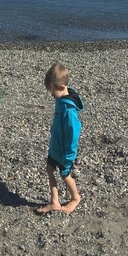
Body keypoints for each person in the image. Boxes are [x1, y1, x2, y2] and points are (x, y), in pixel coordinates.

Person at [37, 61, 84, 214]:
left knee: (65, 175)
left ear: (62, 88)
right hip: (55, 146)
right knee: (50, 169)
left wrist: (69, 156)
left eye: (52, 92)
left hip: (65, 152)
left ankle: (75, 198)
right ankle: (54, 201)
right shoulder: (60, 100)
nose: (51, 95)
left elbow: (73, 134)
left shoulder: (69, 110)